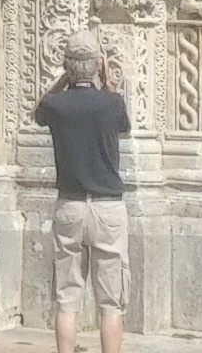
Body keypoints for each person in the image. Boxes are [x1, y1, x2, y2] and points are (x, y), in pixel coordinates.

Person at [34, 30, 133, 353]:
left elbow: (38, 111)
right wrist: (107, 80)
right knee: (111, 303)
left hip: (71, 206)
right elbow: (124, 125)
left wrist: (63, 79)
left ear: (67, 65)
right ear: (97, 65)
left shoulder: (56, 105)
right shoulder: (111, 103)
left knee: (67, 299)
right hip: (107, 209)